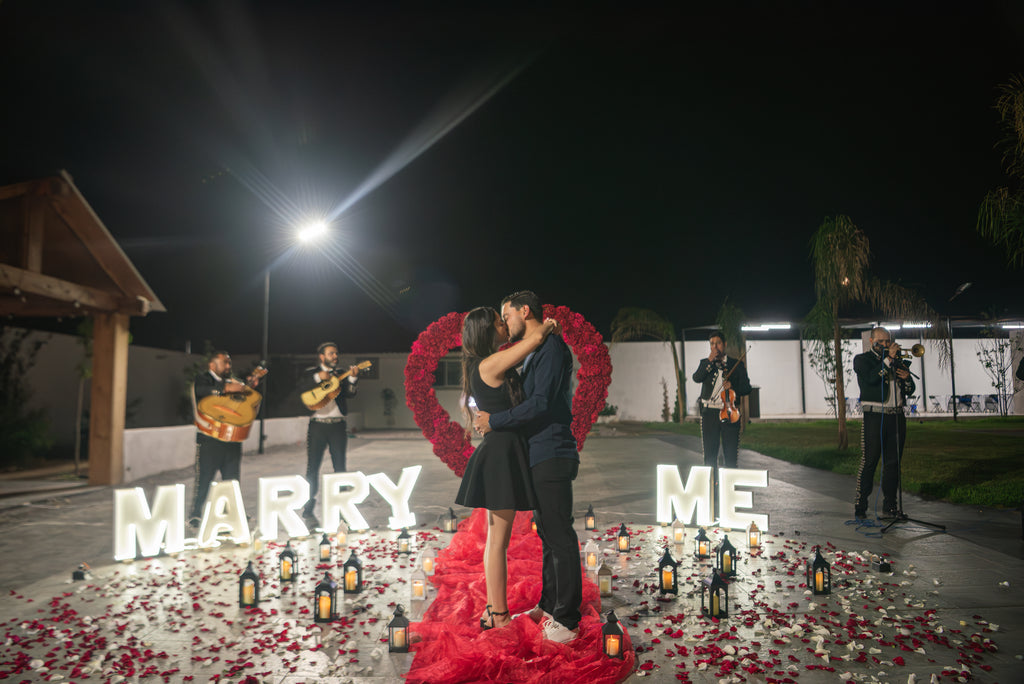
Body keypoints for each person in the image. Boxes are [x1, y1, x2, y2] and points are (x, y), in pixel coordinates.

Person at [473, 290, 581, 644]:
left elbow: (539, 403)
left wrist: (495, 421)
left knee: (559, 535)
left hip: (552, 451)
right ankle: (549, 605)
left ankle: (567, 618)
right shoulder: (536, 349)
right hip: (537, 453)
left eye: (507, 316)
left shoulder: (551, 349)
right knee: (547, 534)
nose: (505, 324)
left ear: (524, 311)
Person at [456, 306, 559, 631]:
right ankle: (498, 614)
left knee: (495, 539)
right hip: (501, 454)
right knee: (498, 540)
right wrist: (548, 325)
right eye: (499, 322)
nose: (504, 326)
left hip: (502, 450)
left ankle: (493, 611)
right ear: (487, 330)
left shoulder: (484, 363)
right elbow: (534, 341)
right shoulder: (489, 363)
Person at [190, 351, 262, 528]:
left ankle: (234, 512)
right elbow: (201, 391)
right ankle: (195, 514)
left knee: (232, 480)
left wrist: (249, 387)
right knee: (204, 478)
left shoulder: (233, 381)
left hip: (232, 439)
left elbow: (245, 403)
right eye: (225, 363)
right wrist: (224, 389)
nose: (228, 366)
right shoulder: (203, 378)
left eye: (230, 363)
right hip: (209, 439)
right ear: (212, 365)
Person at [853, 326, 916, 520]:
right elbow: (872, 379)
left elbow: (910, 389)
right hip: (875, 417)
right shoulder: (862, 360)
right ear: (871, 341)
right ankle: (861, 504)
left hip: (896, 416)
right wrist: (888, 359)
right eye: (880, 341)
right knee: (870, 460)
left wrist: (907, 378)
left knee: (893, 463)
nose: (885, 344)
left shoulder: (897, 361)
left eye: (887, 341)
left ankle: (890, 505)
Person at [302, 342, 360, 527]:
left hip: (337, 426)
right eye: (331, 353)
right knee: (312, 468)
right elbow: (301, 389)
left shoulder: (341, 373)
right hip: (317, 426)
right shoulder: (310, 372)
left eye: (336, 353)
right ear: (322, 356)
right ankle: (308, 508)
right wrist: (318, 378)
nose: (335, 356)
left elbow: (350, 394)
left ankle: (343, 509)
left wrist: (352, 379)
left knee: (340, 467)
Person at [692, 330, 752, 471]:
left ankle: (730, 482)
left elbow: (747, 388)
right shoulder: (705, 363)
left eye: (718, 343)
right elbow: (697, 378)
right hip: (709, 414)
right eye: (712, 344)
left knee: (731, 456)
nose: (715, 347)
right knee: (709, 456)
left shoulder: (736, 364)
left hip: (730, 413)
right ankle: (712, 483)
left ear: (724, 344)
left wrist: (733, 387)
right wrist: (709, 360)